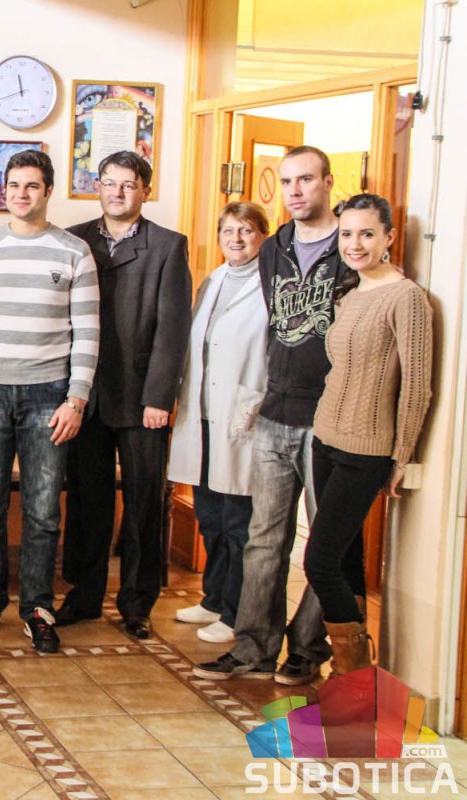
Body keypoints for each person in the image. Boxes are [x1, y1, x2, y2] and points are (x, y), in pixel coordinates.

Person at [194, 145, 346, 685]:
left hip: (329, 417)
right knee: (264, 539)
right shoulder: (277, 246)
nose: (296, 191)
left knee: (324, 545)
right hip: (276, 412)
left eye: (306, 179)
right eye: (287, 182)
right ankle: (254, 647)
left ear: (328, 182)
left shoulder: (349, 245)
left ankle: (307, 648)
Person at [0, 150, 100, 654]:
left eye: (32, 185)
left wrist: (76, 400)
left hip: (49, 396)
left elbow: (88, 332)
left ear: (48, 190)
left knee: (42, 512)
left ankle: (37, 607)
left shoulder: (74, 251)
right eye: (13, 185)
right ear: (4, 190)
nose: (21, 194)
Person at [58, 150, 191, 640]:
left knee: (143, 505)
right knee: (86, 500)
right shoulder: (73, 240)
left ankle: (137, 603)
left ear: (145, 191)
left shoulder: (168, 246)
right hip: (85, 395)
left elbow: (173, 330)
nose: (117, 192)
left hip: (141, 400)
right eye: (109, 183)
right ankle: (84, 595)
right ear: (97, 186)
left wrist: (160, 397)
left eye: (128, 184)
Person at [307, 194, 431, 673]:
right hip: (325, 438)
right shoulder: (350, 291)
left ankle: (354, 676)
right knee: (344, 560)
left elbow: (417, 385)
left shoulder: (406, 297)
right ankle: (353, 688)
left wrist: (401, 457)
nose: (355, 244)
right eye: (347, 234)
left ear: (389, 237)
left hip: (366, 451)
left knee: (318, 562)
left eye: (366, 234)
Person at [167, 203, 270, 644]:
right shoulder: (212, 281)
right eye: (228, 230)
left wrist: (257, 402)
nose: (237, 239)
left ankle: (235, 612)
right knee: (209, 516)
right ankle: (212, 599)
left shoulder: (270, 286)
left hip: (242, 416)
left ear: (263, 236)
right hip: (204, 415)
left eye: (246, 230)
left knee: (237, 522)